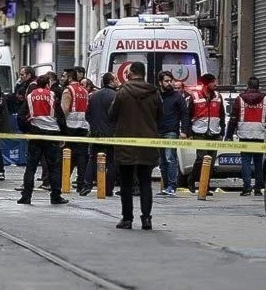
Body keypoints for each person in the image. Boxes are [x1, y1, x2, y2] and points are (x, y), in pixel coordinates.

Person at [108, 61, 161, 230]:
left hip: (126, 143)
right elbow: (161, 115)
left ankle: (127, 218)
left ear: (130, 73)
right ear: (144, 74)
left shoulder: (122, 92)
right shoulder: (154, 93)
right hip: (148, 143)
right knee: (146, 182)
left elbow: (112, 114)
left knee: (126, 183)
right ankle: (146, 219)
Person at [17, 75, 68, 205]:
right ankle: (55, 196)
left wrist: (27, 130)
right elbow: (61, 117)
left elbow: (21, 115)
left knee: (31, 167)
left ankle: (26, 196)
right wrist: (62, 134)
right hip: (51, 134)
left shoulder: (30, 96)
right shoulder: (52, 96)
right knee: (54, 167)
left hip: (36, 133)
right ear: (47, 84)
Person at [225, 76, 266, 196]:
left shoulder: (240, 99)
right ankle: (258, 188)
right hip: (260, 133)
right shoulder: (265, 99)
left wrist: (228, 135)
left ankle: (247, 188)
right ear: (258, 86)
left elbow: (233, 118)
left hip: (244, 134)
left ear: (248, 86)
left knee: (246, 162)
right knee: (259, 162)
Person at [184, 73, 224, 196]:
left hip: (214, 133)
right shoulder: (195, 96)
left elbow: (222, 115)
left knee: (210, 162)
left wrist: (222, 130)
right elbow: (188, 115)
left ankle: (205, 186)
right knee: (201, 159)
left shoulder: (218, 96)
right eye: (213, 82)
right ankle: (191, 180)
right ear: (206, 84)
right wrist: (188, 131)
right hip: (199, 132)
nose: (215, 84)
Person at [80, 72, 118, 197]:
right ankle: (108, 188)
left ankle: (86, 185)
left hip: (96, 132)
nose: (118, 81)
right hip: (111, 134)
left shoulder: (94, 96)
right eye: (116, 79)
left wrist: (94, 126)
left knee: (92, 159)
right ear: (111, 81)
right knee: (111, 161)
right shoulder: (115, 96)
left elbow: (87, 114)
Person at [156, 71, 190, 196]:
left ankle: (171, 185)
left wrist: (184, 131)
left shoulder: (177, 97)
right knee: (162, 161)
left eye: (171, 81)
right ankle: (166, 186)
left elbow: (185, 114)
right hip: (157, 132)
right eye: (166, 81)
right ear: (160, 82)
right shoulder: (156, 96)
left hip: (171, 132)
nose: (169, 83)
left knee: (170, 159)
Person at [61, 68, 90, 193]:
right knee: (82, 156)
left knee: (67, 154)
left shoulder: (68, 90)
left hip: (70, 126)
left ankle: (64, 181)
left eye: (64, 76)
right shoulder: (84, 90)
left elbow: (65, 109)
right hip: (83, 126)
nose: (62, 79)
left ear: (70, 78)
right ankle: (81, 183)